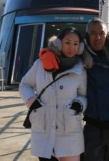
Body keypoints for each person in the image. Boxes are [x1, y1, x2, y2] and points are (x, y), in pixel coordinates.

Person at [40, 18, 109, 160]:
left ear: (107, 35)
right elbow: (62, 52)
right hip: (92, 129)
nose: (98, 37)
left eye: (101, 33)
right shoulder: (80, 59)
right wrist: (47, 53)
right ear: (87, 35)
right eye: (93, 33)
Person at [19, 27, 88, 161]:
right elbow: (24, 85)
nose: (71, 47)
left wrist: (79, 104)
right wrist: (31, 101)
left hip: (69, 131)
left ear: (80, 47)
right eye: (67, 42)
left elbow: (84, 95)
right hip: (44, 129)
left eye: (75, 44)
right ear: (58, 43)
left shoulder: (80, 70)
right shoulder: (40, 64)